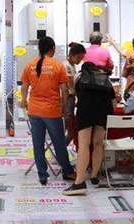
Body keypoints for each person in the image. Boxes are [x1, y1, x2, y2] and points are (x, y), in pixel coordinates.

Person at [20, 36, 76, 186]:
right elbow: (65, 89)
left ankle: (42, 175)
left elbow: (24, 87)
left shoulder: (30, 65)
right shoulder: (57, 66)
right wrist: (64, 107)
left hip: (34, 110)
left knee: (38, 144)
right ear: (52, 48)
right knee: (59, 143)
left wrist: (23, 100)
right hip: (52, 111)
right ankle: (67, 171)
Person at [63, 62, 118, 195]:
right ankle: (94, 177)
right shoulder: (105, 79)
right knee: (98, 143)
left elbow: (77, 94)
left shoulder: (79, 77)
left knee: (84, 144)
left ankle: (79, 182)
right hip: (103, 111)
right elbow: (114, 103)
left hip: (86, 110)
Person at [62, 42, 86, 148]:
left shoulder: (71, 66)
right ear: (71, 55)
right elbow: (71, 85)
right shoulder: (67, 66)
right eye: (78, 57)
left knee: (71, 128)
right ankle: (60, 151)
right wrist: (79, 96)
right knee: (68, 124)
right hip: (67, 98)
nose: (80, 60)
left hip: (70, 98)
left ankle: (61, 150)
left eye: (82, 58)